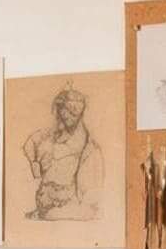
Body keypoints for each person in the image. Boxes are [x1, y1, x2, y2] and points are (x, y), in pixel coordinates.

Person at [22, 81, 105, 221]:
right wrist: (34, 164)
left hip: (67, 208)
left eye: (68, 112)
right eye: (61, 111)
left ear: (78, 112)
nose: (64, 115)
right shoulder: (50, 135)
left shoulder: (89, 147)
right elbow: (29, 144)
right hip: (45, 205)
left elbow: (91, 194)